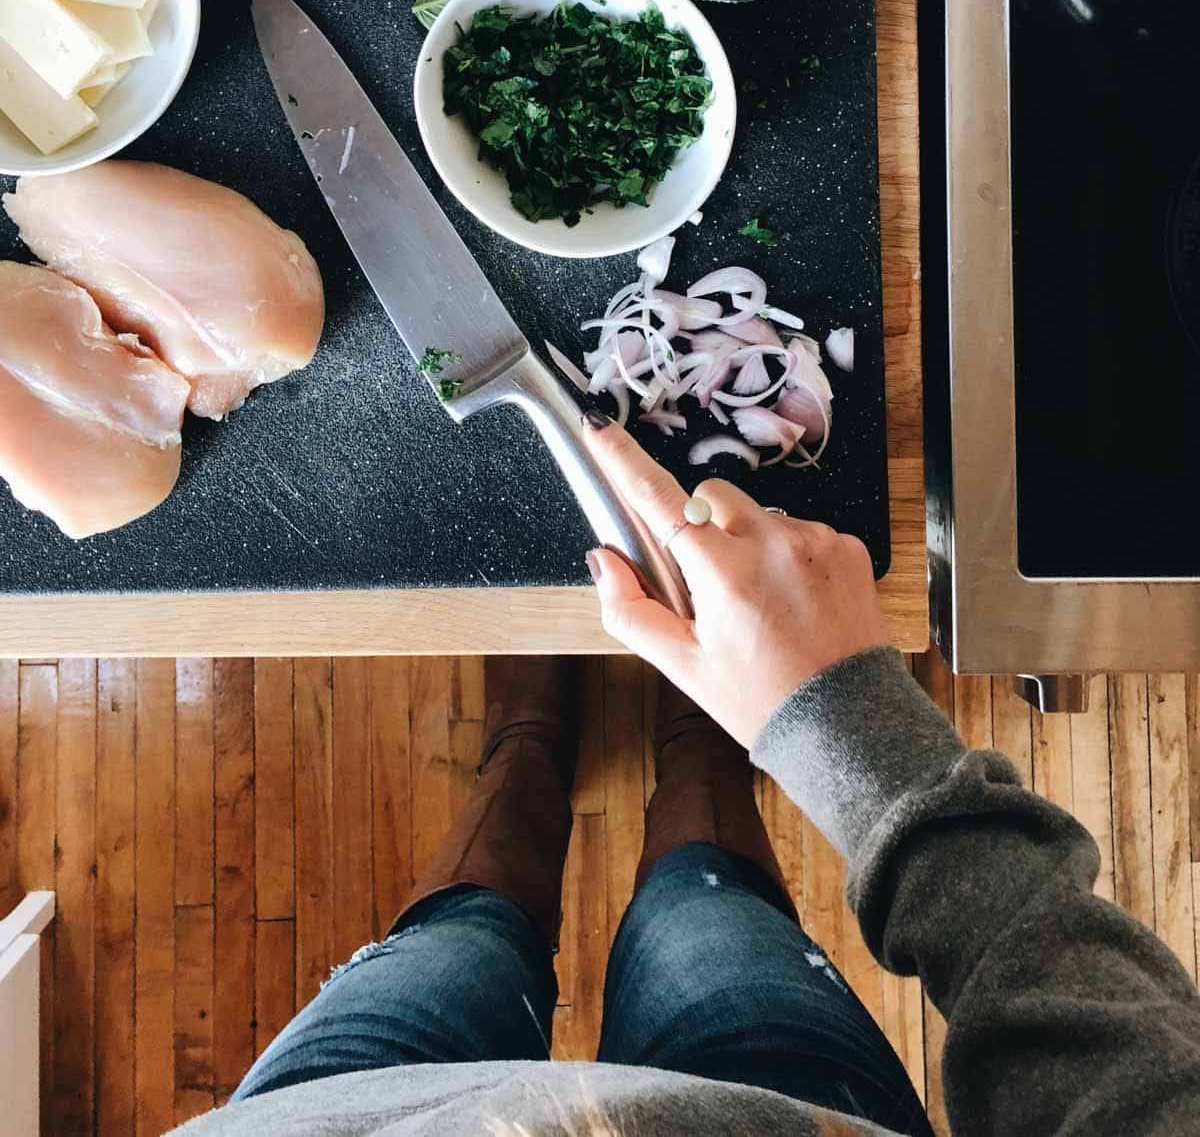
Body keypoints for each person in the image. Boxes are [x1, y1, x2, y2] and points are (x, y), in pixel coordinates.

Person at [179, 417, 1200, 1135]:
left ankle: (530, 748)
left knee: (463, 936)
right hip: (785, 1110)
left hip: (325, 1117)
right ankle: (708, 735)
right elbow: (1115, 1064)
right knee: (700, 908)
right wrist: (835, 715)